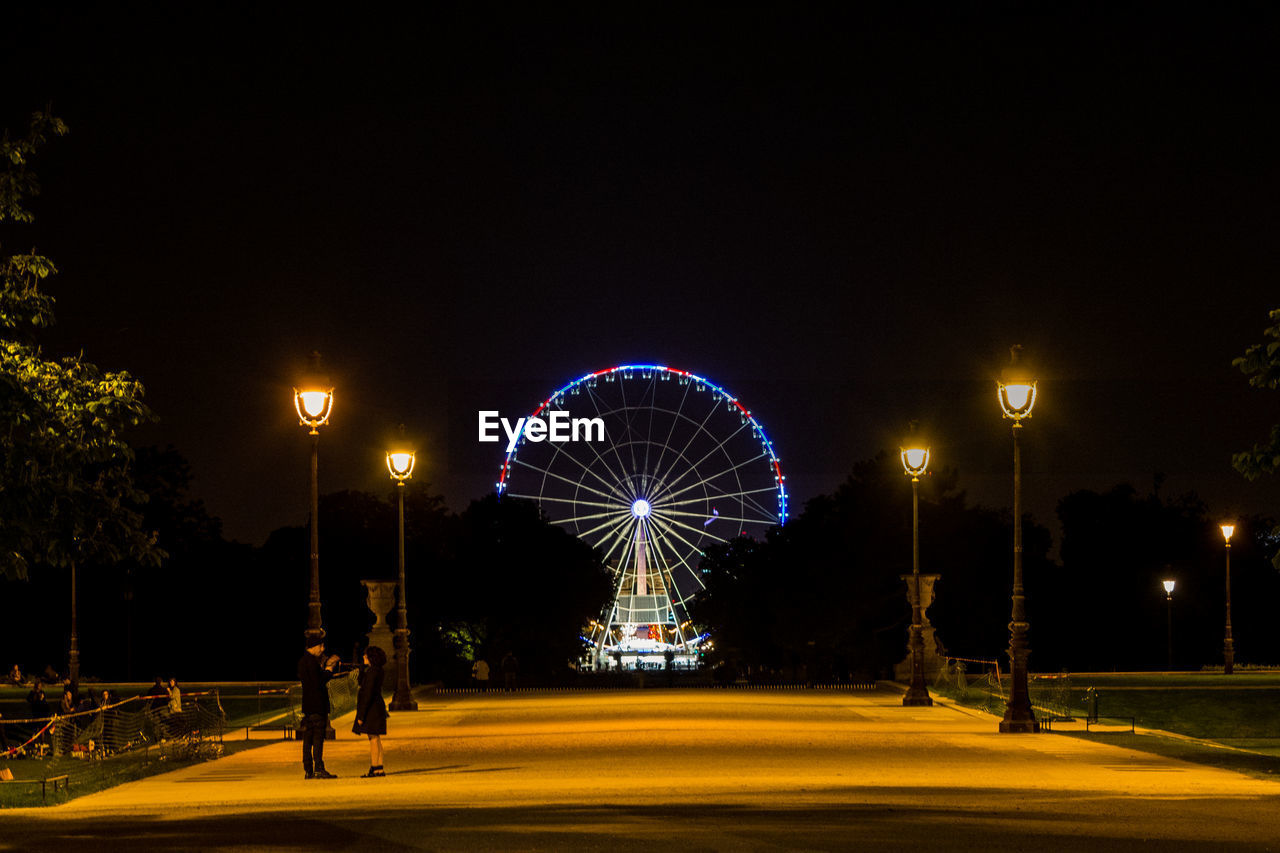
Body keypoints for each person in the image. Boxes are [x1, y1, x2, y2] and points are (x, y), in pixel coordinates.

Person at [297, 636, 339, 779]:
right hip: (318, 705)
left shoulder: (302, 661)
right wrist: (328, 670)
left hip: (308, 706)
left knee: (307, 739)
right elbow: (319, 681)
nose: (323, 649)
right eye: (321, 646)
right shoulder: (312, 662)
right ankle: (319, 768)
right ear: (314, 646)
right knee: (317, 738)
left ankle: (308, 769)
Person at [353, 645, 389, 778]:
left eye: (365, 655)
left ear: (371, 657)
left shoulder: (372, 672)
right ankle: (379, 767)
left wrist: (361, 715)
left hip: (372, 708)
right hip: (377, 706)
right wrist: (362, 671)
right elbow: (364, 684)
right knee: (376, 737)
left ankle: (375, 767)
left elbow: (366, 692)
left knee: (373, 738)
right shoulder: (377, 670)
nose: (363, 657)